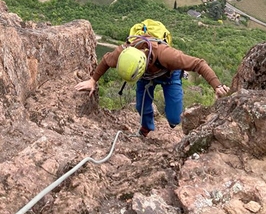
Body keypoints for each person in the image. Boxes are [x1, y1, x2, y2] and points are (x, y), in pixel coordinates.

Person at [75, 30, 229, 137]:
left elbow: (199, 64)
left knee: (175, 119)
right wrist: (93, 80)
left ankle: (172, 121)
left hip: (169, 74)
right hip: (144, 76)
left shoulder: (167, 56)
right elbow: (106, 60)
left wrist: (217, 85)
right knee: (140, 106)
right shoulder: (123, 53)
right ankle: (146, 127)